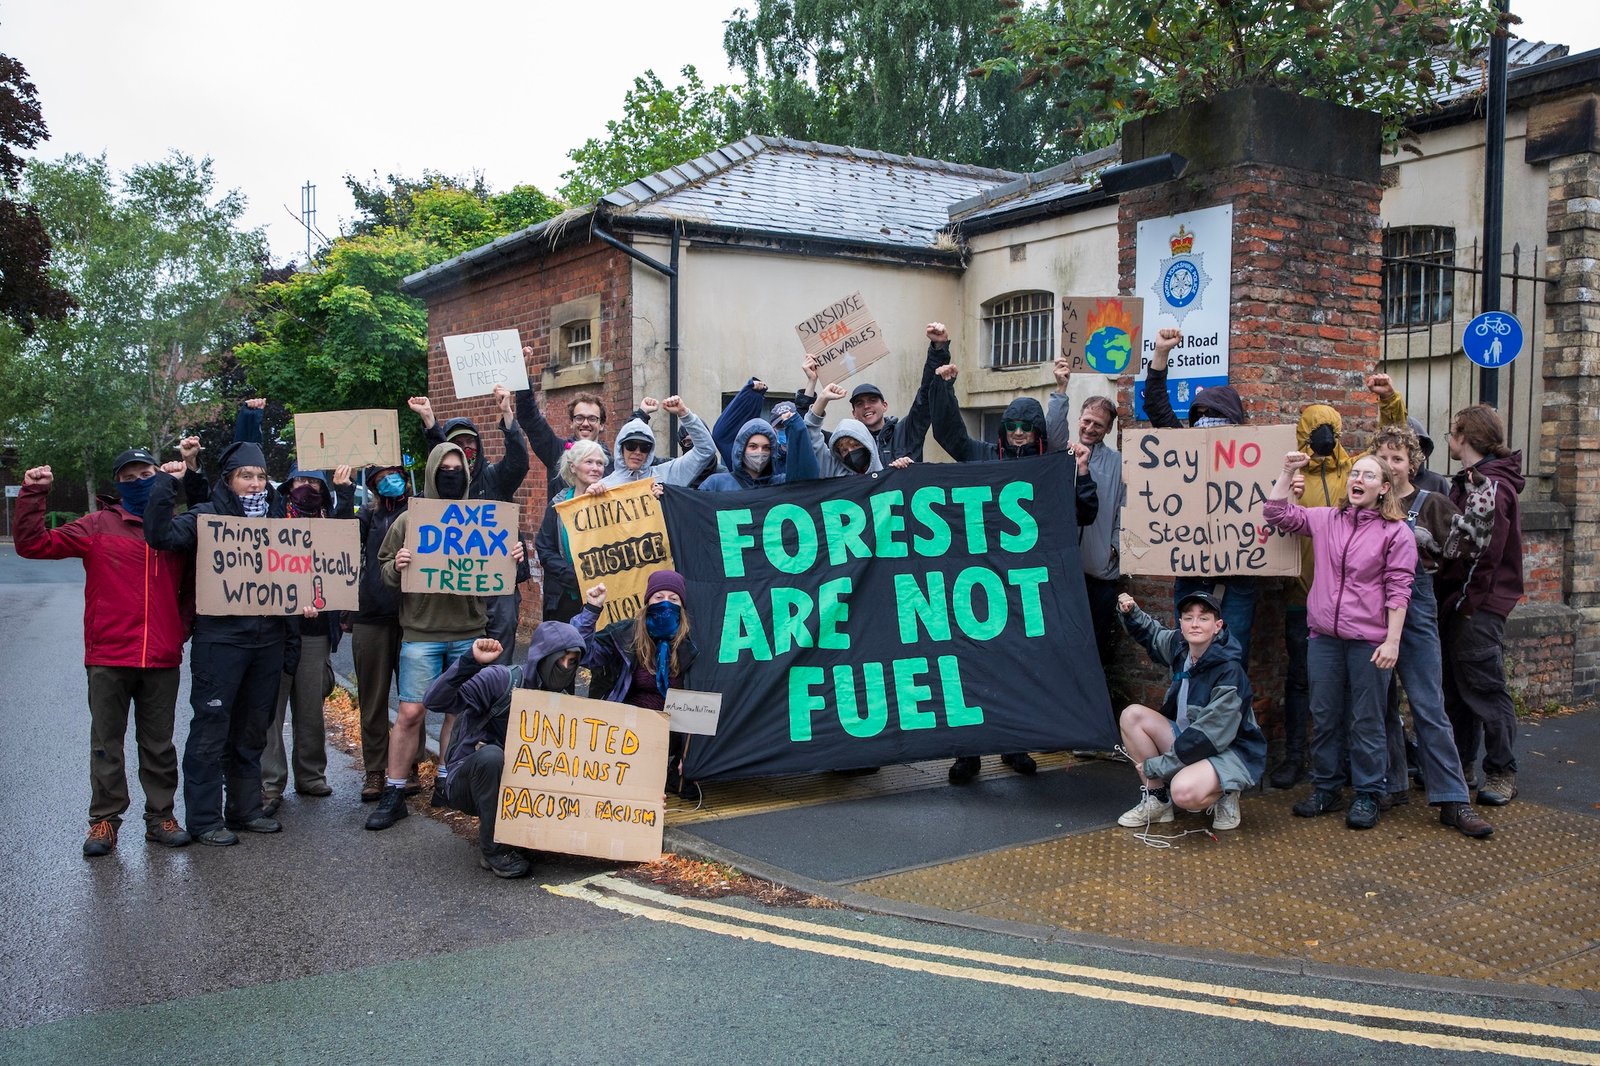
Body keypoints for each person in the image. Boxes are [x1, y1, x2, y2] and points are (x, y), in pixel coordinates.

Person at [15, 445, 201, 856]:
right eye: (128, 477)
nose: (138, 482)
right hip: (109, 656)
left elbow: (193, 587)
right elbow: (33, 545)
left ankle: (161, 817)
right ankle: (104, 821)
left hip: (160, 655)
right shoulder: (98, 525)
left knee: (159, 745)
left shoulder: (176, 528)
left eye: (145, 474)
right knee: (106, 744)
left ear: (158, 476)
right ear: (117, 484)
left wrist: (180, 629)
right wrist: (33, 493)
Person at [926, 359, 1098, 784]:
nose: (1019, 433)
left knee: (1019, 668)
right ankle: (968, 754)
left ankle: (1014, 744)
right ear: (1003, 429)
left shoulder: (1052, 465)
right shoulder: (983, 455)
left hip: (1027, 588)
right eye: (1012, 426)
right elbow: (949, 433)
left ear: (1038, 432)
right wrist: (944, 388)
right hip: (979, 582)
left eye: (1027, 427)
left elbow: (1083, 513)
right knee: (974, 667)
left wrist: (1081, 472)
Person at [144, 431, 313, 847]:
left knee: (253, 730)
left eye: (260, 476)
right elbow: (160, 536)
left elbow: (300, 575)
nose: (255, 484)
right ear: (228, 480)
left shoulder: (279, 523)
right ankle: (204, 819)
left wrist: (306, 602)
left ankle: (245, 809)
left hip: (268, 641)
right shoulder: (206, 517)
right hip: (220, 642)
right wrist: (166, 484)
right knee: (211, 729)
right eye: (245, 476)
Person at [365, 440, 525, 830]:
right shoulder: (409, 520)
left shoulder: (486, 520)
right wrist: (397, 565)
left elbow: (507, 577)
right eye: (444, 470)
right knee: (410, 712)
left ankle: (445, 779)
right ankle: (394, 791)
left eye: (457, 470)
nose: (451, 475)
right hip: (421, 632)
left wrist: (515, 560)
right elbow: (383, 572)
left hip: (469, 632)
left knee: (460, 711)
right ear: (432, 473)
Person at [1264, 451, 1416, 830]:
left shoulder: (1396, 533)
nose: (1357, 480)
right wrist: (1287, 471)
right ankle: (1326, 788)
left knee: (1367, 720)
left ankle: (1368, 793)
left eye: (1368, 475)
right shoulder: (1327, 519)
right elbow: (1276, 513)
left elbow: (1399, 590)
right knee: (1325, 716)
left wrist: (1393, 641)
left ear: (1384, 488)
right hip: (1324, 639)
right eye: (1355, 473)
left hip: (1369, 641)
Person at [1370, 425, 1493, 838]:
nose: (1390, 465)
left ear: (1412, 464)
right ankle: (1390, 785)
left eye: (1398, 458)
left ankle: (1453, 799)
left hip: (1417, 612)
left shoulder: (1432, 504)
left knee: (1428, 706)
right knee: (1380, 706)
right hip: (1370, 613)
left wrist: (1480, 500)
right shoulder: (1364, 504)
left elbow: (1470, 547)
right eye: (1383, 457)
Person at [424, 623, 586, 878]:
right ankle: (494, 849)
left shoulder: (566, 701)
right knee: (492, 756)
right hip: (471, 781)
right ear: (543, 657)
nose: (565, 667)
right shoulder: (501, 679)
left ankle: (523, 834)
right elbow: (434, 700)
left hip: (522, 788)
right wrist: (469, 662)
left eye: (573, 661)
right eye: (560, 659)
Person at [1143, 328, 1259, 665]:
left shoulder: (1254, 463)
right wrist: (1161, 354)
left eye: (1216, 417)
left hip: (1237, 578)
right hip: (1192, 574)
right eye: (1202, 416)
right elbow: (1156, 406)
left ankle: (1227, 703)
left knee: (1230, 659)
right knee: (1187, 656)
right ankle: (1186, 701)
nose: (1208, 423)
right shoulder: (1184, 452)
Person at [1435, 404, 1525, 807]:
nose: (1449, 439)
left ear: (1464, 438)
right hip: (1461, 602)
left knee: (1485, 690)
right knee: (1457, 690)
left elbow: (1486, 556)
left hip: (1477, 606)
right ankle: (1462, 768)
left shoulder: (1493, 486)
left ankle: (1502, 771)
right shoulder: (1471, 481)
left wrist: (1466, 604)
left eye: (1452, 432)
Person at [1113, 590, 1264, 831]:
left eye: (1203, 618)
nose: (1195, 624)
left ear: (1217, 626)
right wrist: (1131, 613)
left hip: (1228, 751)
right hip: (1191, 741)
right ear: (1181, 624)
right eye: (1188, 617)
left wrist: (1158, 766)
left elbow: (1208, 736)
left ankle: (1227, 791)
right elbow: (1153, 635)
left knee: (1183, 792)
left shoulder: (1230, 672)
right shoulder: (1181, 646)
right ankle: (1157, 800)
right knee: (1132, 715)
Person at [409, 387, 530, 668]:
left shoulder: (495, 478)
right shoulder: (445, 486)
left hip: (499, 585)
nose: (466, 448)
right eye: (458, 443)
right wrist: (430, 421)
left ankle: (498, 693)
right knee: (464, 660)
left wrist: (507, 415)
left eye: (470, 441)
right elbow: (440, 455)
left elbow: (518, 461)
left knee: (499, 658)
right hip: (459, 584)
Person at [261, 462, 356, 814]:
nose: (307, 488)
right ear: (289, 486)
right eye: (300, 481)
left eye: (314, 483)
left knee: (310, 709)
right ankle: (270, 782)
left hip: (315, 633)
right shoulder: (273, 519)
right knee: (271, 710)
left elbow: (347, 535)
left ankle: (311, 775)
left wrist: (345, 491)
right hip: (277, 630)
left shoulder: (331, 521)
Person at [1045, 359, 1125, 709]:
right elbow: (1051, 432)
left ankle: (1089, 712)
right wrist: (1060, 389)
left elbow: (1125, 511)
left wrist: (1115, 549)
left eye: (1098, 425)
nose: (1090, 428)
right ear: (1079, 419)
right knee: (1058, 645)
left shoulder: (1117, 463)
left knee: (1093, 649)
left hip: (1098, 575)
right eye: (1087, 421)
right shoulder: (1062, 452)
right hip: (1061, 571)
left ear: (1108, 430)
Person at [578, 571, 698, 796]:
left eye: (673, 599)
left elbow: (701, 705)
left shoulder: (692, 643)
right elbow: (581, 652)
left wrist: (692, 754)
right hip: (629, 732)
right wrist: (591, 610)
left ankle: (673, 771)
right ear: (647, 602)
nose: (665, 603)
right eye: (658, 597)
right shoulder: (624, 635)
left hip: (672, 733)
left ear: (682, 607)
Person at [350, 463, 411, 802]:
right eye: (381, 478)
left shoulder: (420, 512)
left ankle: (409, 765)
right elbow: (340, 542)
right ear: (373, 486)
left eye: (394, 475)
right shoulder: (367, 517)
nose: (390, 481)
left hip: (410, 616)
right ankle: (375, 769)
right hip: (370, 616)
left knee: (412, 698)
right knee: (372, 700)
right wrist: (344, 491)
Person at [534, 439, 608, 624]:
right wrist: (575, 578)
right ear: (573, 467)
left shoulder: (612, 501)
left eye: (600, 463)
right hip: (564, 599)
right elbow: (545, 549)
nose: (595, 468)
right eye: (589, 462)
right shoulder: (558, 505)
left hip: (604, 595)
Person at [596, 396, 716, 490]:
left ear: (650, 450)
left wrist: (684, 414)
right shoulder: (603, 487)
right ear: (621, 447)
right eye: (631, 446)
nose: (637, 452)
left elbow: (705, 450)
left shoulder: (665, 476)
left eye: (644, 447)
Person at [698, 409, 817, 492]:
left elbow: (806, 482)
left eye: (766, 447)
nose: (760, 452)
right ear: (741, 450)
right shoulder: (716, 484)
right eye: (753, 446)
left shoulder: (781, 484)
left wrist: (796, 426)